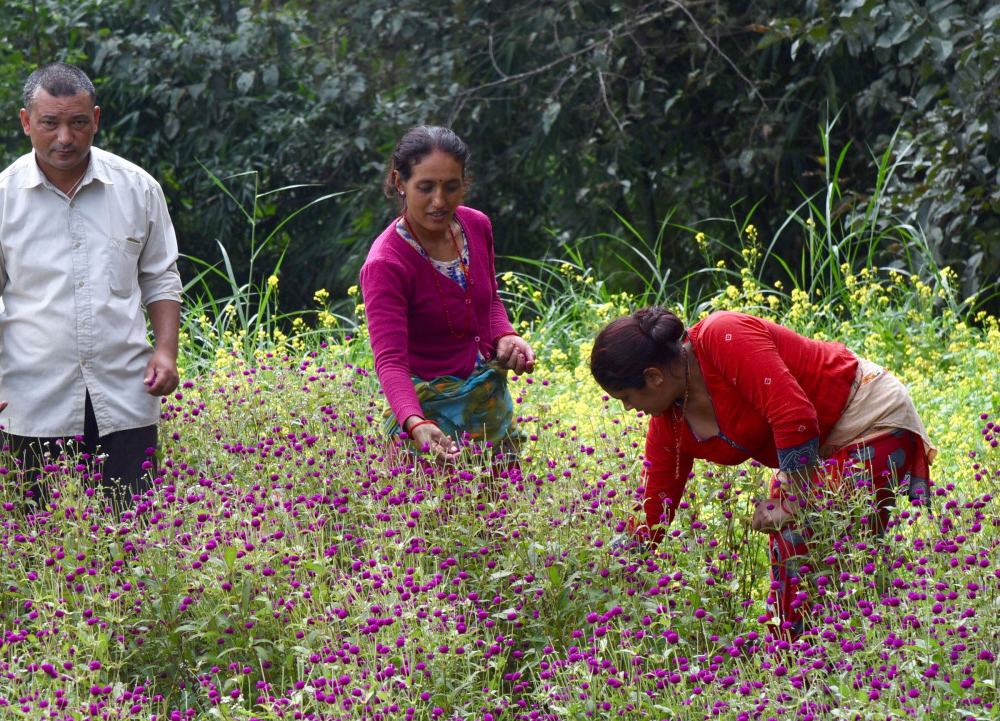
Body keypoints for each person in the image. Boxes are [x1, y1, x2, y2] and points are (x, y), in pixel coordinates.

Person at [589, 307, 935, 631]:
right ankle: (795, 666)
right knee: (797, 558)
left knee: (827, 551)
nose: (629, 409)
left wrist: (794, 502)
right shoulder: (669, 425)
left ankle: (846, 658)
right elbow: (654, 508)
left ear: (653, 377)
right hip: (812, 455)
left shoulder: (721, 336)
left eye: (626, 398)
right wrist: (608, 568)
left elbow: (794, 417)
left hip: (865, 418)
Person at [0, 62, 184, 510]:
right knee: (38, 547)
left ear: (96, 119)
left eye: (78, 123)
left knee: (136, 535)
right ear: (26, 123)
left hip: (125, 394)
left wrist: (166, 351)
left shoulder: (138, 189)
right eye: (50, 123)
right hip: (32, 404)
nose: (65, 138)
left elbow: (160, 277)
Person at [360, 125, 536, 462]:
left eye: (451, 187)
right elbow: (391, 360)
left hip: (488, 405)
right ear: (400, 183)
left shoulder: (476, 225)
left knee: (503, 509)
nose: (439, 202)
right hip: (428, 420)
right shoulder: (386, 263)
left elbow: (490, 300)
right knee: (432, 511)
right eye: (425, 187)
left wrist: (505, 336)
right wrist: (415, 423)